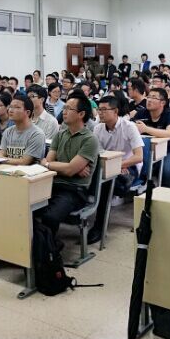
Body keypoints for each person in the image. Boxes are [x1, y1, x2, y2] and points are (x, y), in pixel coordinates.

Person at [38, 93, 100, 236]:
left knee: (50, 217)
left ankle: (49, 248)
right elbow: (50, 161)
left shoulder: (90, 139)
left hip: (74, 190)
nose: (63, 112)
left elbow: (68, 170)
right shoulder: (60, 135)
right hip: (52, 184)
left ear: (81, 114)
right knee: (26, 208)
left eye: (68, 108)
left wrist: (50, 165)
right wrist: (66, 167)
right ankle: (43, 244)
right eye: (64, 108)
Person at [88, 95, 145, 244]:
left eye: (104, 110)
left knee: (105, 183)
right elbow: (96, 153)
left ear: (115, 111)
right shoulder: (98, 128)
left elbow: (139, 157)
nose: (100, 113)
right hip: (107, 166)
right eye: (99, 110)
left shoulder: (129, 127)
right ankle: (80, 216)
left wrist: (120, 165)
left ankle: (99, 227)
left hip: (129, 166)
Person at [134, 88, 170, 188]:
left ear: (162, 102)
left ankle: (165, 191)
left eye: (153, 97)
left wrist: (146, 129)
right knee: (138, 167)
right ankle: (142, 189)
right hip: (146, 151)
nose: (149, 100)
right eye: (148, 97)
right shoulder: (141, 113)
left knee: (165, 170)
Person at [0, 95, 46, 165]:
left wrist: (2, 159)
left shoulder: (36, 134)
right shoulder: (8, 131)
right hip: (7, 169)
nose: (11, 110)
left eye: (17, 107)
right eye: (10, 107)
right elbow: (1, 154)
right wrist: (2, 158)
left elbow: (25, 162)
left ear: (28, 112)